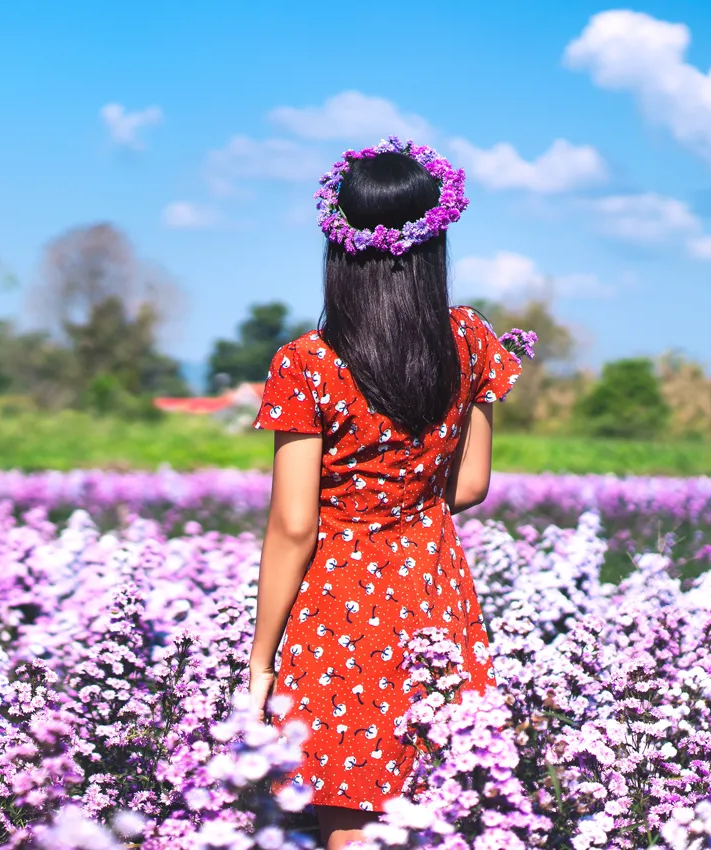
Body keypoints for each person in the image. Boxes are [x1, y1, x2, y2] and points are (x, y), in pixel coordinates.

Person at [246, 138, 521, 850]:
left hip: (338, 605)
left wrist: (259, 658)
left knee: (351, 813)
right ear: (435, 243)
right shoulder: (470, 340)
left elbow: (294, 524)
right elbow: (473, 483)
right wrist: (408, 509)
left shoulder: (307, 363)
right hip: (436, 589)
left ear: (338, 248)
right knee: (436, 809)